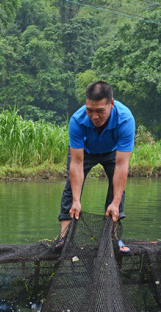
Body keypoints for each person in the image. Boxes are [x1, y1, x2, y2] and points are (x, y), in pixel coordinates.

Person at [58, 81, 135, 253]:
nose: (94, 116)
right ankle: (63, 239)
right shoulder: (77, 120)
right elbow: (76, 163)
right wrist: (77, 201)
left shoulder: (125, 119)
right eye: (90, 110)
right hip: (85, 151)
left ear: (111, 104)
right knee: (71, 188)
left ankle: (113, 239)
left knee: (117, 191)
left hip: (112, 152)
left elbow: (122, 165)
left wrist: (115, 202)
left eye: (100, 111)